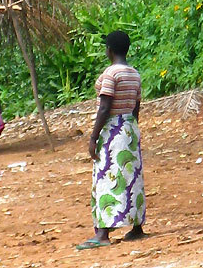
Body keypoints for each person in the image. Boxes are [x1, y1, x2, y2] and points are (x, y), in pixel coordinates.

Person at [76, 30, 146, 250]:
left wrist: (94, 136)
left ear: (109, 50)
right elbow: (136, 107)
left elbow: (105, 106)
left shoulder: (110, 74)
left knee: (108, 176)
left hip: (113, 130)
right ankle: (136, 228)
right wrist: (131, 130)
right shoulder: (134, 74)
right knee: (131, 177)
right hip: (129, 129)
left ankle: (103, 234)